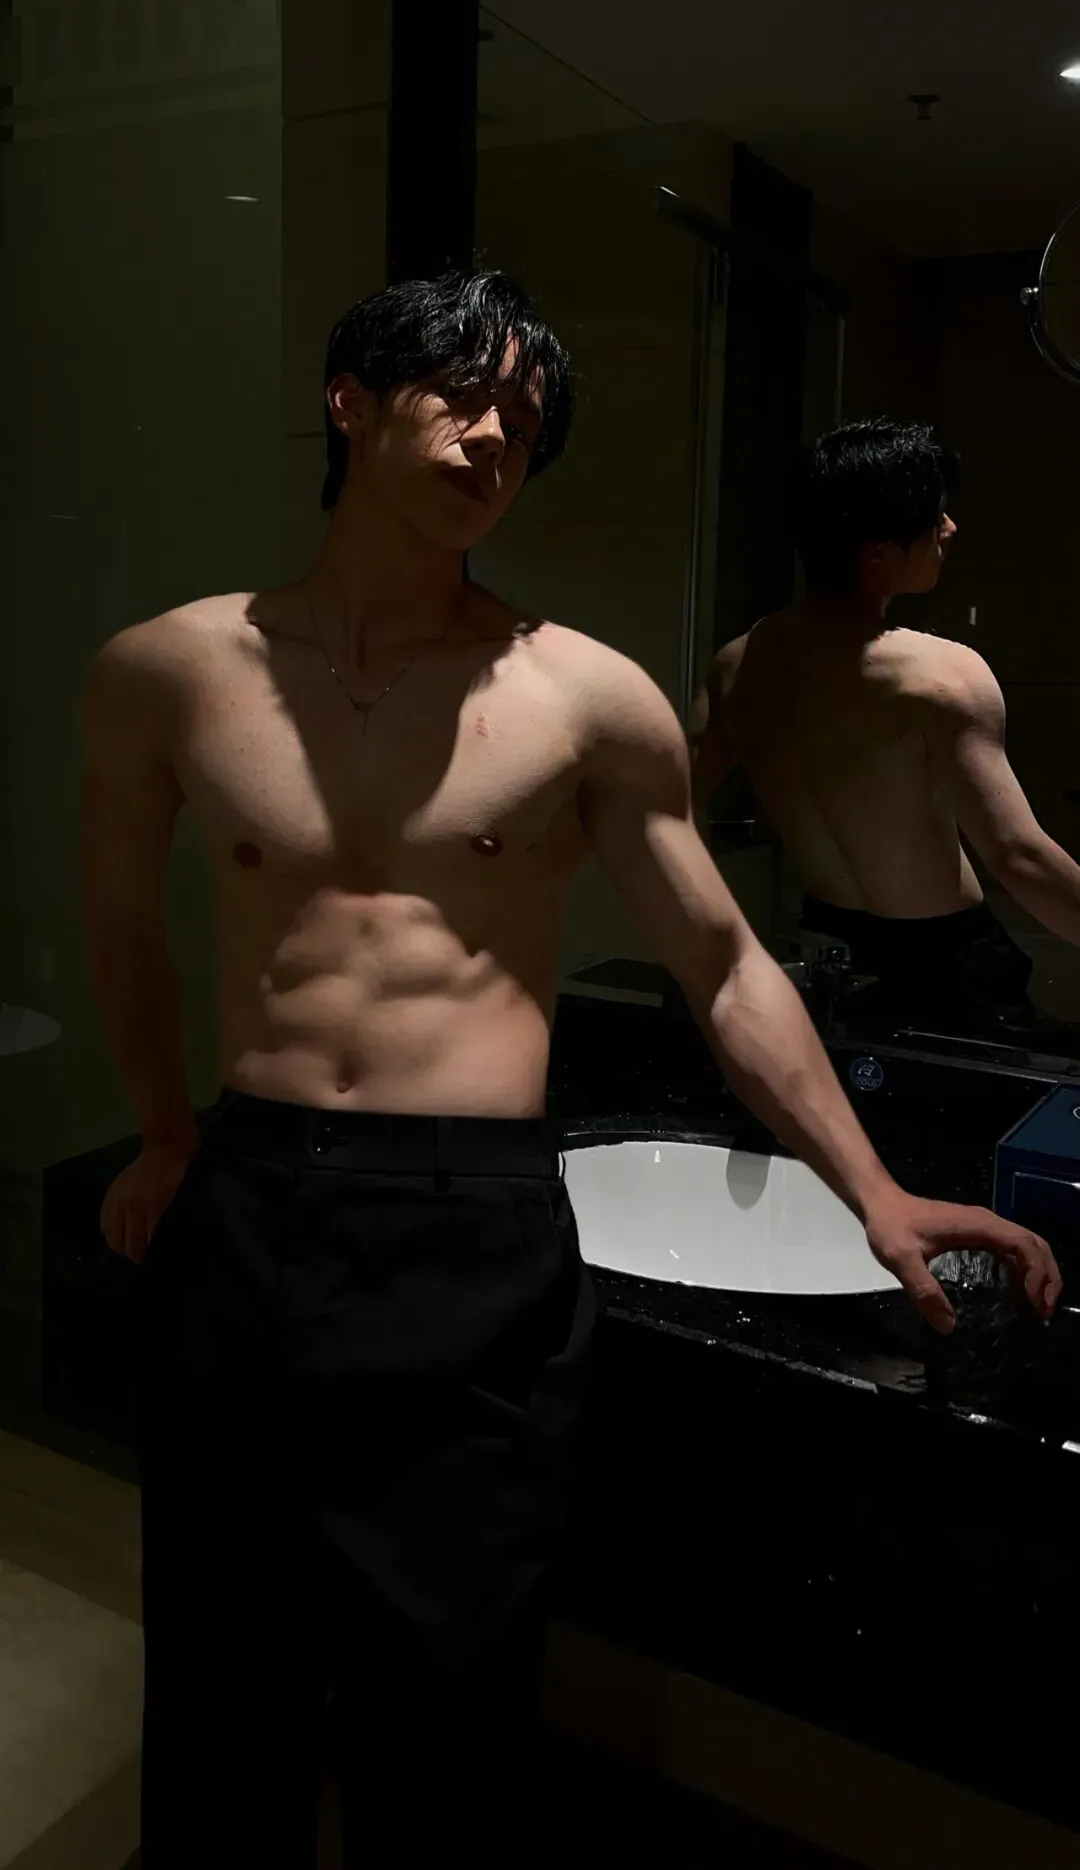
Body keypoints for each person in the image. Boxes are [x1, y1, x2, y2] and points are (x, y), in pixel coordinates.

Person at [83, 290, 1060, 1869]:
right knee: (220, 1671)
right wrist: (159, 1129)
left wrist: (875, 1193)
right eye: (464, 397)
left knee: (451, 1695)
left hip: (471, 1222)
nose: (494, 439)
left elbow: (725, 964)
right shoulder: (167, 669)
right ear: (350, 400)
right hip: (252, 1195)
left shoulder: (585, 697)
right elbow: (124, 920)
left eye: (526, 429)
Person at [693, 416, 1080, 1041]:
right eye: (933, 518)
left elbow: (668, 809)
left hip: (828, 956)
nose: (948, 528)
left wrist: (712, 943)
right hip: (947, 970)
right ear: (878, 551)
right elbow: (1018, 855)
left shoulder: (736, 665)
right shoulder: (940, 676)